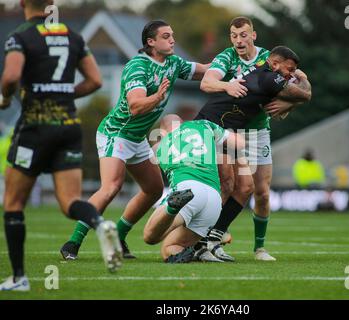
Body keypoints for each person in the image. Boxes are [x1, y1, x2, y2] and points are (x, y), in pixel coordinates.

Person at [60, 20, 209, 260]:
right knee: (111, 187)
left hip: (137, 137)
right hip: (116, 133)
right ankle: (72, 243)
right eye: (166, 36)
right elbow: (136, 105)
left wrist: (229, 65)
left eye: (172, 35)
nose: (172, 40)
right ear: (151, 42)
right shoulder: (137, 66)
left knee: (153, 190)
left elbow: (204, 70)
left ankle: (119, 237)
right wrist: (157, 96)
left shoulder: (173, 62)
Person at [0, 0, 122, 292]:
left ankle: (19, 278)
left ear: (22, 3)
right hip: (69, 127)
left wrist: (5, 98)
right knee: (69, 202)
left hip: (35, 127)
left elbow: (12, 77)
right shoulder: (72, 35)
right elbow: (94, 80)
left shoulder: (20, 36)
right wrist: (65, 95)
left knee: (14, 203)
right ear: (52, 4)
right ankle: (100, 224)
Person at [199, 16, 312, 262]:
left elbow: (304, 85)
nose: (238, 41)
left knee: (261, 192)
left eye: (243, 35)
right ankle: (208, 239)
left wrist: (286, 104)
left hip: (258, 131)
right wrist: (227, 86)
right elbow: (207, 82)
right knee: (228, 186)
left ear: (253, 35)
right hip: (230, 130)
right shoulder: (226, 57)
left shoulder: (271, 58)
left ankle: (259, 248)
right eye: (234, 35)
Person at [143, 114, 245, 263]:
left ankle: (172, 207)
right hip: (214, 200)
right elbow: (240, 143)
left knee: (150, 237)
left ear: (162, 133)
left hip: (187, 189)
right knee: (170, 246)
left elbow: (141, 169)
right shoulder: (204, 125)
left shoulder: (158, 146)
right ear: (183, 123)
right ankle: (192, 251)